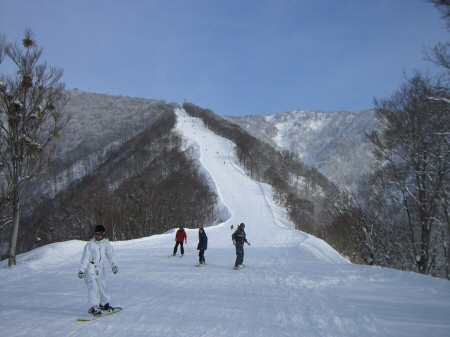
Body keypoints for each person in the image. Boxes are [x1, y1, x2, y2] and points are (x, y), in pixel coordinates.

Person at [78, 224, 118, 317]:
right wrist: (81, 270)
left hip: (100, 269)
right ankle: (93, 307)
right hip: (90, 268)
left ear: (103, 235)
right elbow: (85, 258)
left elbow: (111, 255)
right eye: (95, 234)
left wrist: (114, 266)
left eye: (99, 234)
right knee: (93, 288)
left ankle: (104, 304)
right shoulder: (90, 245)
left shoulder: (106, 244)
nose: (97, 236)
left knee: (104, 286)